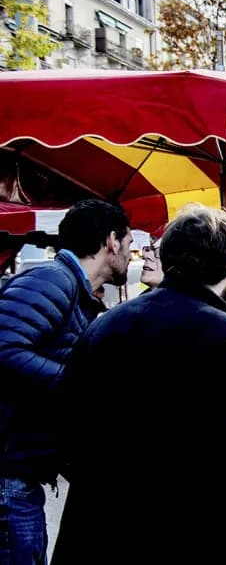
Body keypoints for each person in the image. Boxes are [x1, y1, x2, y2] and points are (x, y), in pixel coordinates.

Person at [54, 205, 226, 563]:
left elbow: (66, 430)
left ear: (167, 260)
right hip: (189, 539)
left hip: (97, 533)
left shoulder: (106, 325)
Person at [0, 199, 130, 563]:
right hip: (8, 479)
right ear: (112, 241)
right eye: (130, 243)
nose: (131, 254)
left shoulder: (73, 290)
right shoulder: (52, 278)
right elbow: (4, 348)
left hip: (19, 476)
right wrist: (78, 385)